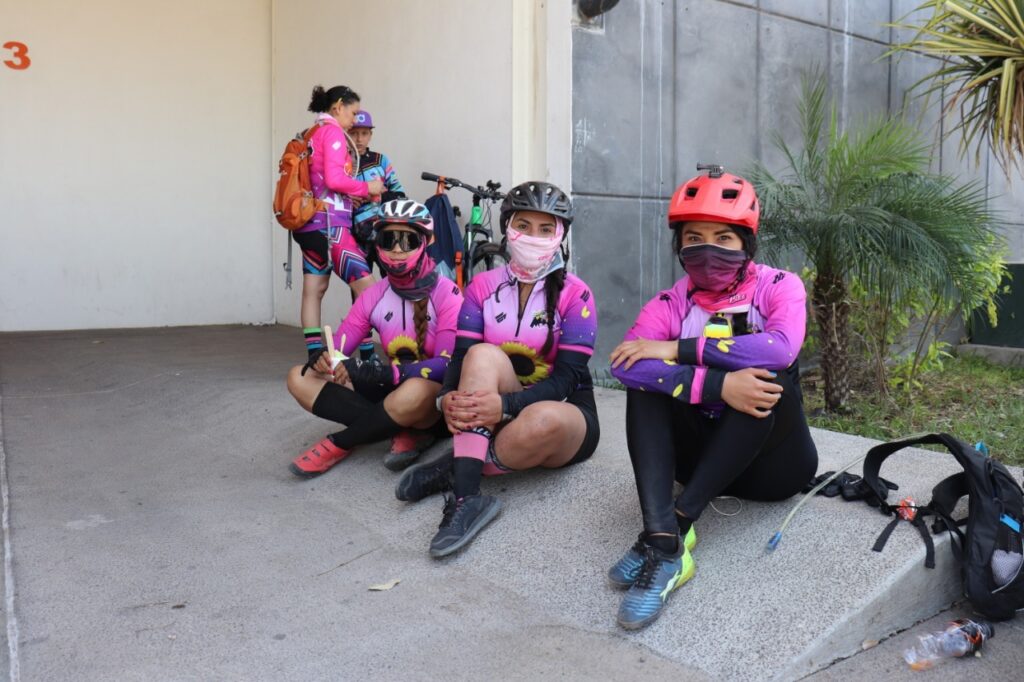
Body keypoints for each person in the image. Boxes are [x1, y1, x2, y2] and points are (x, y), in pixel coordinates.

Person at [608, 165, 818, 629]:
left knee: (767, 378)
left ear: (747, 244)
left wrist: (679, 349)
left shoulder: (779, 286)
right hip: (696, 462)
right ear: (679, 246)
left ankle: (676, 523)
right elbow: (624, 364)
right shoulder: (670, 303)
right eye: (694, 239)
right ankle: (665, 542)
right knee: (644, 386)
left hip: (774, 469)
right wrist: (719, 386)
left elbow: (781, 347)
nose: (708, 251)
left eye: (723, 238)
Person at [395, 181, 600, 559]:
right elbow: (462, 357)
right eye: (524, 225)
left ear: (561, 235)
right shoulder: (482, 286)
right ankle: (467, 498)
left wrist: (505, 406)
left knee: (541, 421)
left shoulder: (577, 294)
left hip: (564, 410)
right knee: (482, 355)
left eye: (546, 228)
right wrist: (445, 398)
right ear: (507, 227)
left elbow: (567, 378)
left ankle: (458, 464)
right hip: (496, 405)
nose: (533, 237)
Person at [286, 199, 462, 476]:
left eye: (408, 241)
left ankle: (341, 442)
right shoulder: (374, 295)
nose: (397, 250)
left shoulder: (447, 293)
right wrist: (326, 359)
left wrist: (381, 373)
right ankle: (396, 428)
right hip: (394, 393)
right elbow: (340, 348)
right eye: (388, 240)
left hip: (433, 401)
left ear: (427, 241)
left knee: (414, 389)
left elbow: (447, 365)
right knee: (299, 376)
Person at [294, 85, 384, 364]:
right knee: (369, 289)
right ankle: (365, 354)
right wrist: (367, 187)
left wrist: (349, 194)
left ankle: (315, 355)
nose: (354, 120)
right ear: (338, 107)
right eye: (353, 113)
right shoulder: (332, 132)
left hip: (309, 224)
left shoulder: (311, 132)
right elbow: (334, 179)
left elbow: (321, 180)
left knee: (314, 290)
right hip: (331, 225)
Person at [348, 110, 407, 267]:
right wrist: (350, 200)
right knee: (360, 281)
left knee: (390, 277)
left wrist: (376, 196)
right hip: (355, 237)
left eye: (364, 133)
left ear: (370, 135)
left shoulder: (381, 161)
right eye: (354, 133)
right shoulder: (342, 164)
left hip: (384, 233)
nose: (359, 139)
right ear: (346, 134)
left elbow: (400, 195)